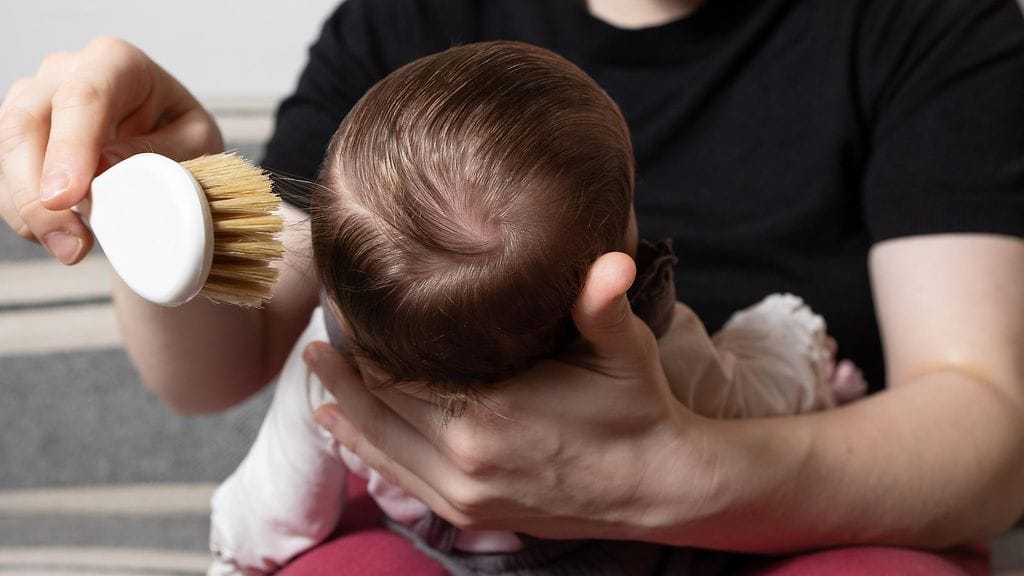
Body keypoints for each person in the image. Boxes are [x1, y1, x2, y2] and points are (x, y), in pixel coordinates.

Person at [1, 0, 1022, 574]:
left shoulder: (932, 28)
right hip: (421, 534)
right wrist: (162, 194)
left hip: (792, 528)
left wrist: (673, 476)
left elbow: (987, 425)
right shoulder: (402, 20)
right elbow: (216, 374)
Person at [207, 40, 865, 575]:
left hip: (438, 545)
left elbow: (269, 505)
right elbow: (750, 397)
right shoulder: (657, 360)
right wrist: (795, 338)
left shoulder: (325, 366)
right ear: (611, 261)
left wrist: (235, 558)